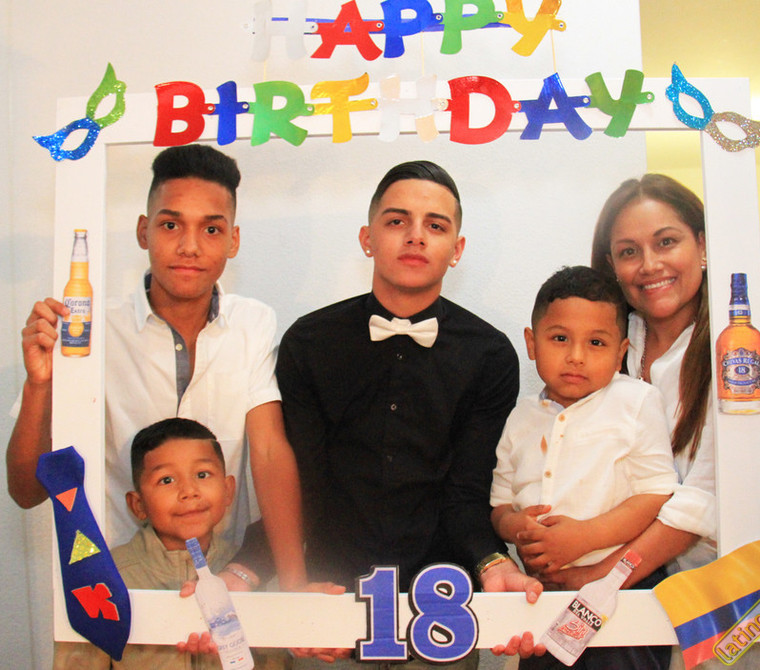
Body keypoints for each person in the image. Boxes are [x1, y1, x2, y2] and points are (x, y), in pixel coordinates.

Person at [232, 160, 544, 665]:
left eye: (435, 225)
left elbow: (467, 490)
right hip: (329, 609)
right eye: (398, 221)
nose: (416, 236)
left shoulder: (490, 355)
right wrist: (251, 568)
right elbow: (300, 481)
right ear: (367, 238)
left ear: (457, 249)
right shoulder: (308, 342)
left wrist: (492, 562)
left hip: (442, 613)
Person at [521, 174, 760, 669]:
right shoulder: (610, 338)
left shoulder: (748, 332)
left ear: (703, 245)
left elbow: (711, 493)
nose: (649, 265)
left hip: (732, 583)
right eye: (628, 251)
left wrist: (605, 573)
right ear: (611, 265)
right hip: (633, 580)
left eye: (666, 242)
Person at [7, 144, 307, 591]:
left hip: (225, 583)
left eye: (211, 229)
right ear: (143, 231)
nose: (189, 246)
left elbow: (267, 452)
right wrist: (39, 385)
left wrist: (294, 584)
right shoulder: (90, 330)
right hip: (113, 592)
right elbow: (27, 491)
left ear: (233, 241)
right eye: (171, 225)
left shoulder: (252, 322)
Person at [491, 265, 677, 670]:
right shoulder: (520, 418)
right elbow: (500, 504)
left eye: (596, 342)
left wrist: (584, 537)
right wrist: (516, 527)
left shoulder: (636, 402)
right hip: (544, 598)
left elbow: (657, 494)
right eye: (560, 338)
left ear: (620, 352)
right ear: (532, 343)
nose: (576, 356)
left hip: (625, 593)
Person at [53, 417, 284, 669]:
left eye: (202, 474)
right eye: (167, 480)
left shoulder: (245, 574)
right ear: (138, 505)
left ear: (228, 490)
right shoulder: (108, 577)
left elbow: (274, 660)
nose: (189, 491)